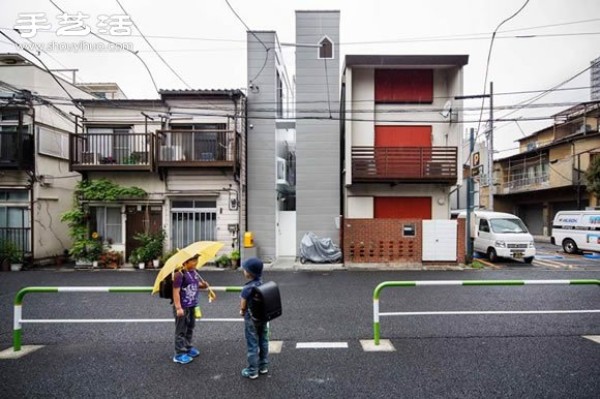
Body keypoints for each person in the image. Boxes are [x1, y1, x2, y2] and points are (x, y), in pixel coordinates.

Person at [172, 253, 209, 364]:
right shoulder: (179, 274)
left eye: (196, 260)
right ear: (185, 262)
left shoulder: (194, 272)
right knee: (181, 330)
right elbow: (176, 292)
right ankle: (179, 354)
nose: (196, 263)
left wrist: (203, 285)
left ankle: (187, 347)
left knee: (190, 327)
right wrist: (178, 307)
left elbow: (195, 285)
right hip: (183, 306)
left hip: (192, 305)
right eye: (193, 261)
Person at [239, 257, 269, 379]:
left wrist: (242, 311)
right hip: (262, 317)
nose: (244, 271)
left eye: (245, 269)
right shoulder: (261, 283)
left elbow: (243, 303)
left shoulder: (247, 288)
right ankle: (263, 366)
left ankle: (252, 370)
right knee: (263, 340)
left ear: (249, 273)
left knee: (252, 343)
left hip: (251, 319)